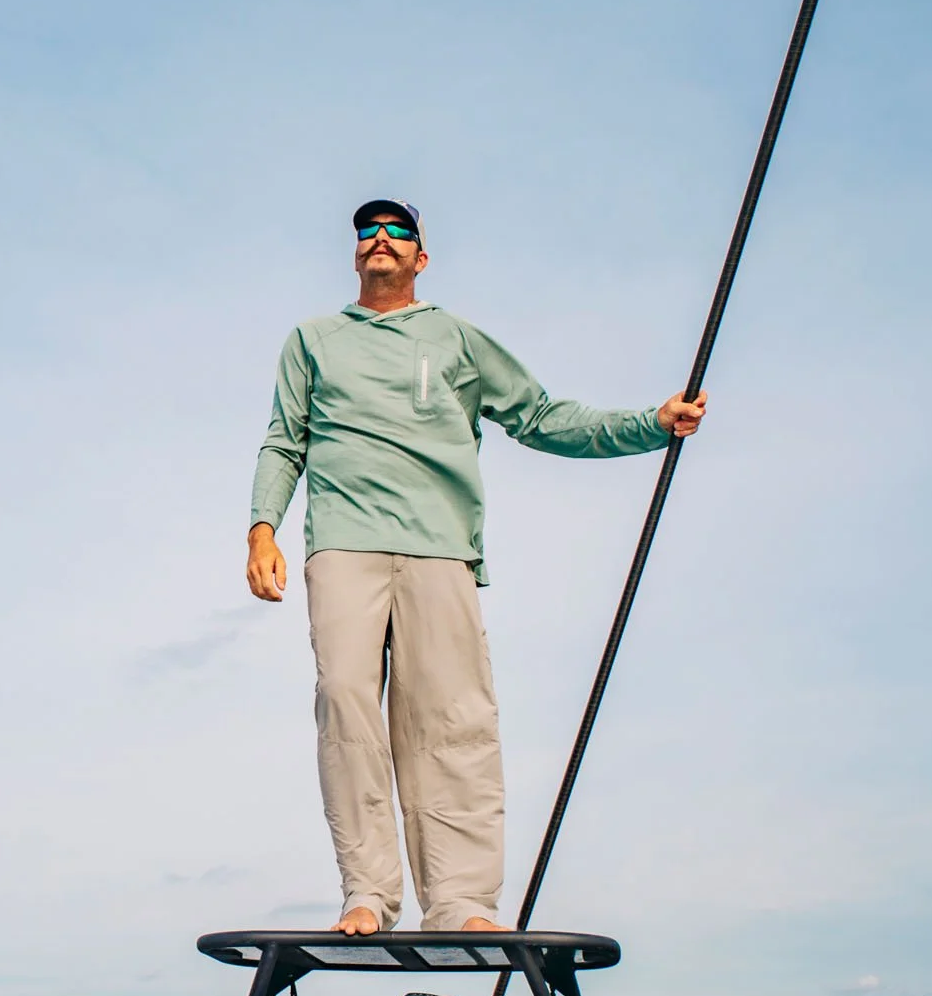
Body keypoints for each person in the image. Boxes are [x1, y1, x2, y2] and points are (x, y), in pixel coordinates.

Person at [247, 199, 705, 935]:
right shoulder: (313, 340)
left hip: (441, 546)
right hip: (343, 542)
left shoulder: (456, 340)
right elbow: (283, 439)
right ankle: (368, 892)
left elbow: (542, 415)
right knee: (346, 703)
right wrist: (262, 528)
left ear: (421, 258)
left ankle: (460, 902)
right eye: (368, 231)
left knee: (451, 718)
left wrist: (648, 425)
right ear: (355, 253)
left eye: (399, 232)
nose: (382, 240)